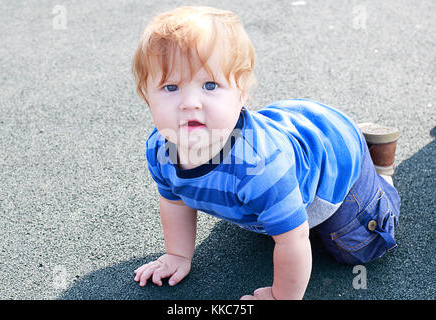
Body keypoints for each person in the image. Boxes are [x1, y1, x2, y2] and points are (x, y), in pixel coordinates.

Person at [131, 6, 400, 300]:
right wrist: (177, 255)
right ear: (146, 95)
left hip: (334, 164)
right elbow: (174, 200)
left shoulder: (259, 165)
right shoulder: (161, 148)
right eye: (171, 87)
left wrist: (281, 296)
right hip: (296, 136)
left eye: (210, 85)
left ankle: (378, 174)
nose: (189, 102)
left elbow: (294, 239)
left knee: (356, 246)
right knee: (266, 219)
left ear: (242, 93)